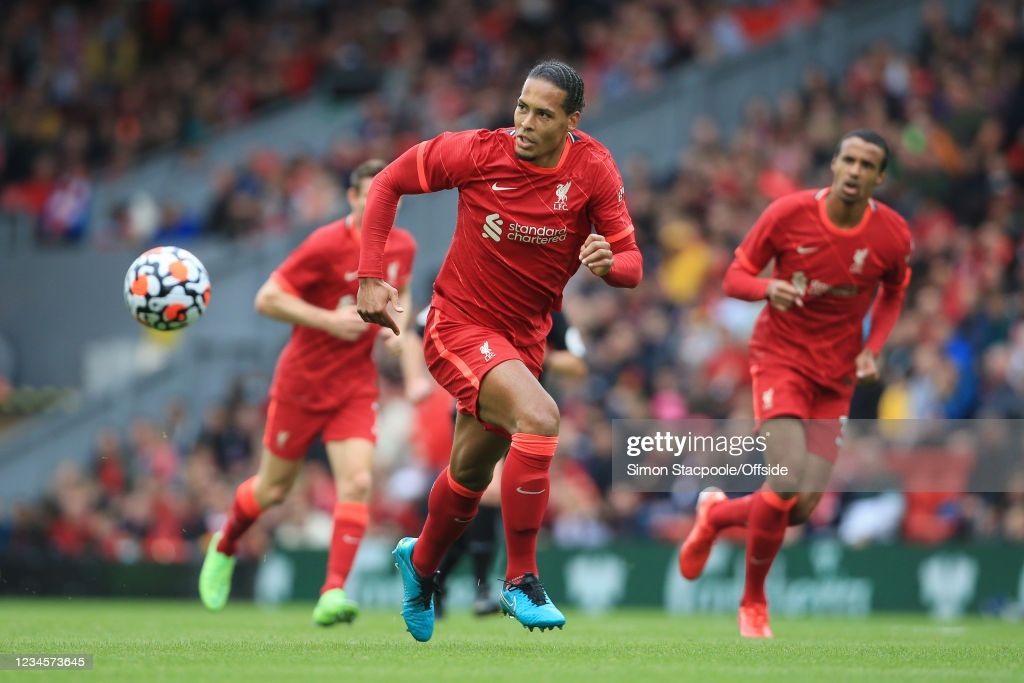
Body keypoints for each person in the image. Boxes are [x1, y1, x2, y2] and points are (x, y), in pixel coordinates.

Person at [355, 60, 642, 641]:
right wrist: (369, 275)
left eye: (543, 114)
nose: (526, 123)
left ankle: (421, 564)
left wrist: (610, 264)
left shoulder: (594, 168)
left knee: (468, 477)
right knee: (541, 416)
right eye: (521, 108)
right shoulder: (479, 152)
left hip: (523, 341)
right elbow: (386, 183)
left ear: (572, 121)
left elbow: (632, 264)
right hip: (458, 324)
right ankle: (521, 579)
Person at [678, 130, 912, 638]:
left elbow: (895, 291)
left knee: (801, 507)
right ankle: (753, 602)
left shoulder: (892, 234)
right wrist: (768, 287)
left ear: (879, 177)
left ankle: (716, 516)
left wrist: (874, 348)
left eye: (867, 165)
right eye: (848, 160)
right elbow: (734, 278)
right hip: (780, 360)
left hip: (836, 376)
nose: (855, 171)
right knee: (784, 480)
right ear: (834, 165)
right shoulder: (788, 214)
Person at [198, 159, 418, 626]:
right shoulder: (325, 244)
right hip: (302, 383)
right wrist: (328, 320)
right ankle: (226, 543)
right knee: (273, 489)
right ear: (352, 199)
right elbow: (266, 298)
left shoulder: (403, 246)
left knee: (357, 483)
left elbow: (403, 293)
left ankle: (332, 591)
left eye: (389, 200)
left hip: (355, 385)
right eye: (371, 197)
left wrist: (395, 329)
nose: (381, 207)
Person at [430, 309, 588, 618]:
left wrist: (535, 353)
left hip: (526, 420)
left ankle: (438, 579)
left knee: (476, 504)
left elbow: (577, 364)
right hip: (480, 406)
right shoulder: (490, 298)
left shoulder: (550, 313)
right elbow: (427, 323)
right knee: (479, 494)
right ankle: (473, 587)